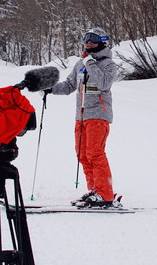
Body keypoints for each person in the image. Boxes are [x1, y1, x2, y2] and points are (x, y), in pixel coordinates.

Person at [49, 27, 119, 207]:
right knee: (83, 155)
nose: (88, 41)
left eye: (93, 38)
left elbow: (103, 84)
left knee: (95, 153)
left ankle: (105, 194)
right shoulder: (80, 63)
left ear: (102, 41)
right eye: (86, 38)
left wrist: (90, 63)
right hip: (81, 116)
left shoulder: (108, 65)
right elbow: (69, 85)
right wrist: (49, 88)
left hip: (98, 115)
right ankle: (95, 190)